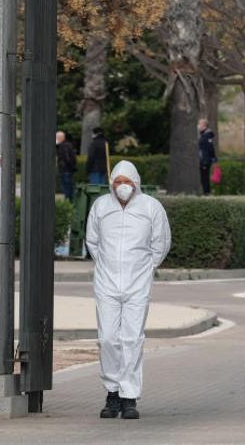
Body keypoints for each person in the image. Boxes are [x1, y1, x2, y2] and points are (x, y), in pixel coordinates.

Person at [86, 161, 171, 420]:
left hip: (138, 282)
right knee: (109, 338)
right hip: (107, 281)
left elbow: (161, 242)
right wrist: (106, 266)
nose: (122, 187)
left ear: (136, 183)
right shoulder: (101, 206)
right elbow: (93, 241)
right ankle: (112, 393)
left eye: (127, 182)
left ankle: (129, 396)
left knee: (132, 338)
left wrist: (145, 267)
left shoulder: (151, 207)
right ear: (111, 184)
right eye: (118, 182)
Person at [197, 118, 217, 194]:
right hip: (203, 160)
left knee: (205, 178)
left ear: (204, 125)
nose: (198, 125)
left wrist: (206, 161)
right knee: (203, 178)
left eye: (200, 124)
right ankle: (206, 192)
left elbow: (210, 150)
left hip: (205, 161)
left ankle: (207, 193)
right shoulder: (203, 135)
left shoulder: (206, 136)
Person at [56, 131, 77, 200]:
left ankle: (68, 202)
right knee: (69, 186)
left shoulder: (63, 146)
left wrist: (68, 166)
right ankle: (70, 201)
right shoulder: (68, 144)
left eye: (57, 137)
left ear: (61, 138)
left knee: (66, 187)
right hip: (68, 169)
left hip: (65, 169)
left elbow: (67, 158)